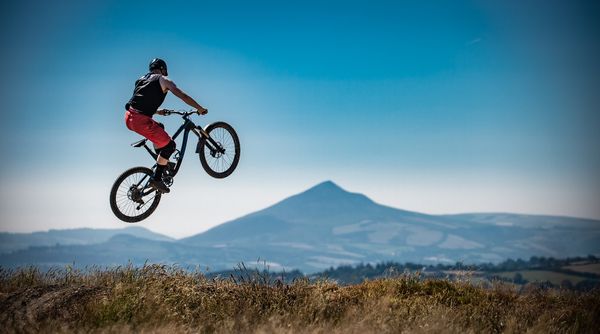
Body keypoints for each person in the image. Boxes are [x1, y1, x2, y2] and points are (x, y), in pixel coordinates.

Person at [124, 58, 208, 193]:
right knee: (170, 146)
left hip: (129, 117)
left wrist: (157, 111)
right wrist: (199, 108)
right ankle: (156, 179)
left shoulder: (141, 79)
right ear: (163, 69)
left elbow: (137, 102)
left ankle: (163, 162)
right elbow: (182, 95)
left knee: (160, 127)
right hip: (141, 121)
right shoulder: (163, 80)